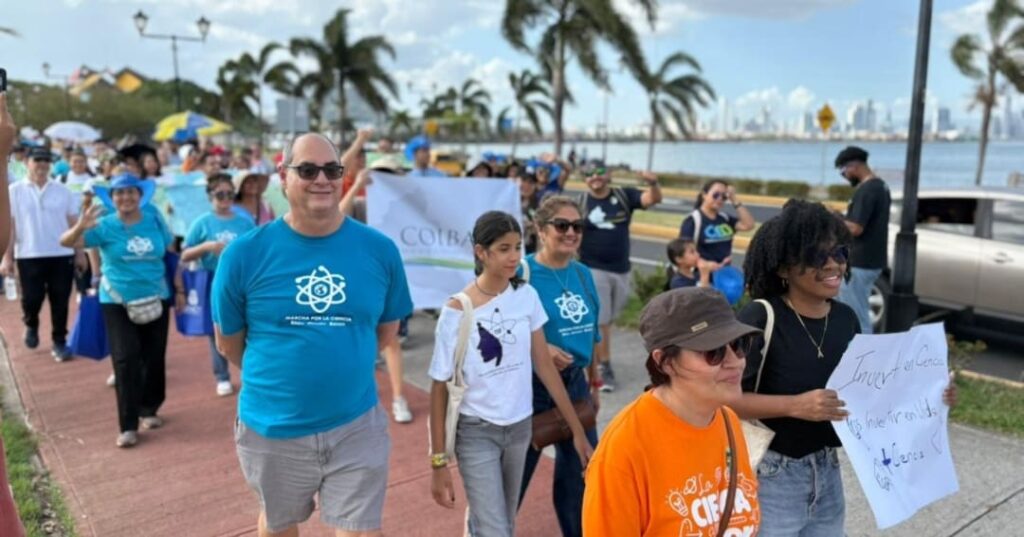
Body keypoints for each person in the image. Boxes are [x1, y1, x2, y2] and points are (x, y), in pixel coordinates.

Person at [212, 132, 413, 537]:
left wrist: (341, 365)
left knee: (359, 531)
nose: (321, 178)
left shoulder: (380, 250)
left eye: (332, 169)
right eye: (307, 170)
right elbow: (229, 343)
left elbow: (386, 330)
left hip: (356, 422)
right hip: (272, 428)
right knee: (280, 525)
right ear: (283, 177)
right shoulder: (244, 254)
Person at [732, 200, 955, 536]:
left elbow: (868, 394)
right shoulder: (761, 317)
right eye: (817, 256)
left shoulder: (845, 319)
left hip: (828, 471)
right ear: (783, 268)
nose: (833, 264)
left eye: (839, 253)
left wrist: (933, 394)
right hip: (771, 473)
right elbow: (722, 399)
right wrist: (794, 406)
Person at [428, 211, 593, 537]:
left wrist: (577, 431)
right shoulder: (456, 311)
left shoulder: (526, 296)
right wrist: (437, 463)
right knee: (496, 531)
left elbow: (544, 366)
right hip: (476, 433)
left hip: (520, 429)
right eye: (503, 248)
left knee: (503, 522)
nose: (514, 257)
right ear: (481, 252)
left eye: (518, 247)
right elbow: (439, 389)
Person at [582, 287, 762, 536]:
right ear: (665, 362)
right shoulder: (624, 450)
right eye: (713, 352)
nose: (735, 361)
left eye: (739, 345)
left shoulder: (727, 420)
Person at [59, 173, 175, 448]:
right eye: (119, 193)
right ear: (111, 198)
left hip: (157, 295)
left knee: (154, 357)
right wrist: (80, 227)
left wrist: (179, 288)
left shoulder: (154, 217)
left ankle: (150, 408)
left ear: (141, 196)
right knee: (125, 358)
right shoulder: (104, 225)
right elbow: (66, 242)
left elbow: (169, 249)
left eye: (131, 192)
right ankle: (128, 424)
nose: (126, 198)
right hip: (116, 300)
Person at [517, 196, 601, 537]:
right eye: (562, 225)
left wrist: (594, 384)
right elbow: (496, 331)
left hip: (575, 384)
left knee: (581, 472)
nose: (571, 232)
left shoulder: (582, 274)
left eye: (577, 226)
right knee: (514, 477)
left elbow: (593, 332)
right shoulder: (521, 273)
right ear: (540, 228)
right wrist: (540, 346)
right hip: (530, 388)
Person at [577, 168, 662, 392]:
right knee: (602, 320)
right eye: (589, 173)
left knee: (608, 320)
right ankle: (604, 367)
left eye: (599, 172)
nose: (594, 176)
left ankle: (591, 358)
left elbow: (652, 198)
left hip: (621, 269)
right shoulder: (581, 202)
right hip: (592, 268)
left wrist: (653, 183)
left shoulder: (625, 196)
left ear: (608, 176)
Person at [2, 146, 86, 361]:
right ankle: (31, 323)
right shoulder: (14, 191)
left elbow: (73, 224)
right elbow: (9, 227)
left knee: (60, 300)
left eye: (45, 160)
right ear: (27, 163)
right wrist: (7, 257)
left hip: (61, 253)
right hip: (28, 254)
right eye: (37, 160)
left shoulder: (63, 190)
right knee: (32, 298)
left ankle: (59, 342)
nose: (41, 164)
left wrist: (79, 253)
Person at [180, 174, 255, 397]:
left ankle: (249, 372)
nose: (225, 199)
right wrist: (207, 246)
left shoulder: (245, 220)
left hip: (242, 281)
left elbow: (255, 249)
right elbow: (185, 253)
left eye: (229, 194)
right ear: (210, 196)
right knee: (218, 330)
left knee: (250, 326)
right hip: (213, 279)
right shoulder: (202, 222)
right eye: (220, 194)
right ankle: (222, 375)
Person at [834, 146, 890, 334]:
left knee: (856, 315)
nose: (844, 175)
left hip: (860, 262)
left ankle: (865, 358)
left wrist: (834, 219)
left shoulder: (867, 190)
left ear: (855, 166)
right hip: (872, 260)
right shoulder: (881, 186)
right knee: (854, 309)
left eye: (844, 170)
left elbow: (856, 228)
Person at [679, 179, 755, 264]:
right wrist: (706, 266)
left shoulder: (725, 218)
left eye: (724, 196)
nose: (719, 199)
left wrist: (734, 200)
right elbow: (683, 252)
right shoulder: (693, 220)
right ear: (704, 195)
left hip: (724, 273)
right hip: (702, 274)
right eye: (715, 195)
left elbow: (748, 225)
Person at [518, 172, 540, 255]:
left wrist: (532, 225)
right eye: (523, 182)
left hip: (529, 247)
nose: (526, 186)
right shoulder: (510, 203)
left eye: (530, 183)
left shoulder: (539, 204)